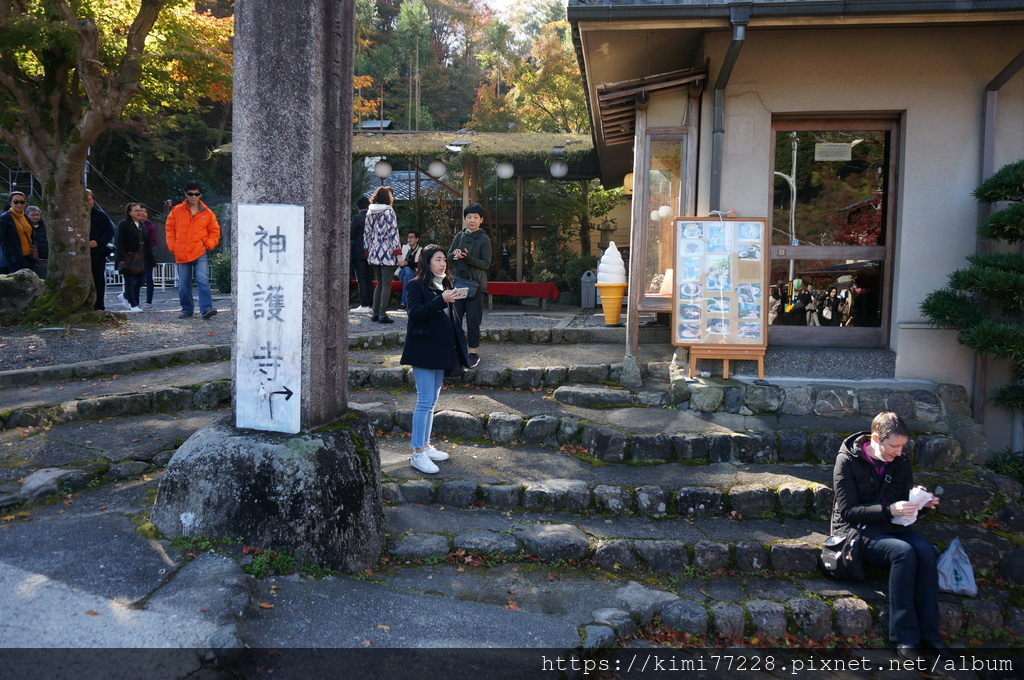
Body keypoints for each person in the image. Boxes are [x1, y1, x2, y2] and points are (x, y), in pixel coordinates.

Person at [831, 412, 948, 660]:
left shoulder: (901, 461)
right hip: (856, 530)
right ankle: (904, 638)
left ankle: (931, 634)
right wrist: (889, 510)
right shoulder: (847, 460)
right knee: (902, 552)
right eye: (894, 446)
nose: (898, 452)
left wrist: (920, 502)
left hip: (892, 526)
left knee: (926, 551)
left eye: (902, 446)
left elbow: (904, 497)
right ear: (876, 439)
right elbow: (848, 511)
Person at [399, 244, 469, 473]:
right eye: (438, 259)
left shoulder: (445, 284)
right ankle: (417, 452)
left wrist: (453, 298)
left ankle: (426, 445)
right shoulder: (415, 284)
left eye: (444, 260)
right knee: (425, 401)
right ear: (427, 262)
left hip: (441, 350)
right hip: (424, 351)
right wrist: (442, 300)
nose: (443, 263)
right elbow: (415, 315)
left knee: (431, 403)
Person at [165, 180, 221, 319]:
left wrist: (207, 244)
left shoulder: (208, 213)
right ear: (185, 194)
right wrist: (173, 246)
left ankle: (206, 309)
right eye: (190, 194)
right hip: (182, 252)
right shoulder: (176, 211)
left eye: (196, 194)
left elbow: (215, 231)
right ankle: (187, 309)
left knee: (203, 280)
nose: (193, 196)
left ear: (200, 195)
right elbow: (169, 230)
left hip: (199, 251)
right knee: (184, 284)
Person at [448, 203, 491, 368]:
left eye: (475, 217)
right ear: (465, 219)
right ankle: (456, 350)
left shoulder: (483, 238)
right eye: (469, 217)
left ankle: (472, 352)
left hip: (477, 286)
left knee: (473, 320)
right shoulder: (459, 236)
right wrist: (455, 256)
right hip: (459, 284)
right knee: (455, 319)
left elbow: (486, 264)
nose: (472, 220)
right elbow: (448, 256)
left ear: (481, 220)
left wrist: (468, 258)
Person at [363, 185, 400, 324]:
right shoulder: (389, 211)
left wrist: (367, 251)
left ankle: (375, 312)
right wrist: (398, 253)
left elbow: (366, 234)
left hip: (373, 251)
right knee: (386, 283)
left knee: (379, 283)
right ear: (388, 198)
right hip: (387, 251)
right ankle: (383, 314)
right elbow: (393, 233)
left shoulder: (369, 211)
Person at [114, 203, 153, 314]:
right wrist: (120, 257)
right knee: (129, 280)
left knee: (141, 280)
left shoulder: (142, 225)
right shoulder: (123, 224)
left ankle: (126, 295)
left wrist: (151, 259)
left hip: (140, 257)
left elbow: (147, 243)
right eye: (136, 210)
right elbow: (119, 241)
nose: (139, 212)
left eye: (140, 210)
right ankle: (133, 304)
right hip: (127, 256)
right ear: (129, 212)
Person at [86, 190, 115, 310]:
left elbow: (109, 232)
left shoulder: (100, 215)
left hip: (97, 252)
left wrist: (97, 242)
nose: (87, 202)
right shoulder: (74, 215)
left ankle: (99, 304)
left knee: (98, 279)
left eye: (89, 199)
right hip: (79, 254)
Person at [0, 191, 34, 274]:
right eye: (16, 202)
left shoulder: (27, 218)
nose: (19, 204)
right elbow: (3, 241)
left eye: (22, 202)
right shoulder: (4, 218)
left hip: (29, 257)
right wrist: (13, 256)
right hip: (14, 260)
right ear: (10, 203)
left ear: (25, 203)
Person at [349, 196, 373, 313]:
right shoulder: (374, 217)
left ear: (357, 207)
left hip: (359, 252)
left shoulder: (357, 218)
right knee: (369, 278)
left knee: (361, 279)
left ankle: (364, 304)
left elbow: (351, 234)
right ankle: (371, 304)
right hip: (372, 252)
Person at [396, 230, 422, 308]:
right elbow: (398, 261)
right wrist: (401, 263)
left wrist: (407, 263)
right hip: (402, 271)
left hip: (415, 273)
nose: (409, 239)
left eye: (412, 237)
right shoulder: (404, 248)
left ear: (417, 239)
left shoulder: (421, 250)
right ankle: (411, 298)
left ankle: (403, 302)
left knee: (406, 278)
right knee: (407, 270)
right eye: (408, 237)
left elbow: (419, 264)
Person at [139, 208, 158, 309]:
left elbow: (153, 241)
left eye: (145, 212)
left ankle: (148, 302)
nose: (143, 214)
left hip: (146, 255)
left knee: (149, 278)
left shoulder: (150, 226)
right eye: (140, 211)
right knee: (135, 278)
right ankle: (133, 300)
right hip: (133, 255)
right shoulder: (131, 224)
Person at [25, 205, 48, 279]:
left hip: (43, 259)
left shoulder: (46, 227)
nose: (35, 217)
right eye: (32, 215)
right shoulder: (24, 227)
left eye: (37, 215)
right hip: (28, 260)